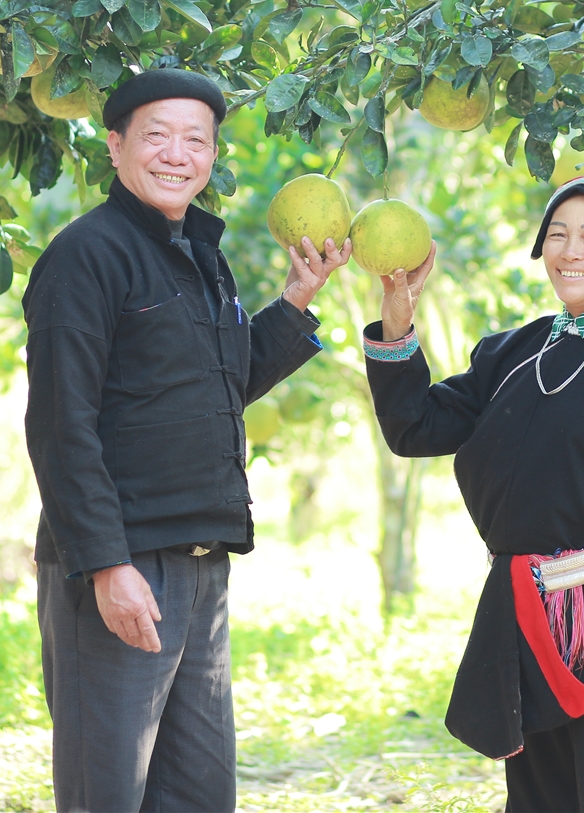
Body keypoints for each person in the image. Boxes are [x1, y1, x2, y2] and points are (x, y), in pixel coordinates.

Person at [22, 68, 350, 813]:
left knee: (199, 795)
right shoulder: (86, 257)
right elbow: (60, 425)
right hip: (124, 562)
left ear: (210, 156)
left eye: (195, 139)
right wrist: (106, 563)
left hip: (201, 568)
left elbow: (220, 382)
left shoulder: (200, 255)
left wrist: (297, 300)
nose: (177, 154)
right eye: (157, 135)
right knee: (107, 793)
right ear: (115, 145)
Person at [361, 173, 584, 812]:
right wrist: (398, 318)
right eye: (557, 235)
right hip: (519, 618)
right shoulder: (509, 354)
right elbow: (415, 427)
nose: (570, 251)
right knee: (536, 801)